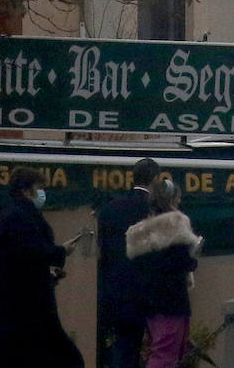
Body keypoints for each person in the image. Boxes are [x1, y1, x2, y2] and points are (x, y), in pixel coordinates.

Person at [0, 166, 84, 368]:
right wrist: (60, 251)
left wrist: (50, 268)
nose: (42, 193)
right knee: (67, 359)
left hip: (16, 304)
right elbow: (31, 253)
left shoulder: (10, 215)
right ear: (26, 190)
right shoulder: (21, 217)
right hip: (29, 305)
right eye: (39, 187)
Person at [126, 178, 201, 368]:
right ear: (173, 199)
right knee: (168, 353)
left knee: (161, 348)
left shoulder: (139, 232)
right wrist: (193, 255)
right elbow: (184, 262)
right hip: (172, 300)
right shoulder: (177, 223)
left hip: (149, 301)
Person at [96, 157, 160, 368]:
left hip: (113, 289)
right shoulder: (153, 211)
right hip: (144, 291)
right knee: (145, 348)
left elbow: (103, 250)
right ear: (155, 179)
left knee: (120, 348)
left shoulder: (109, 209)